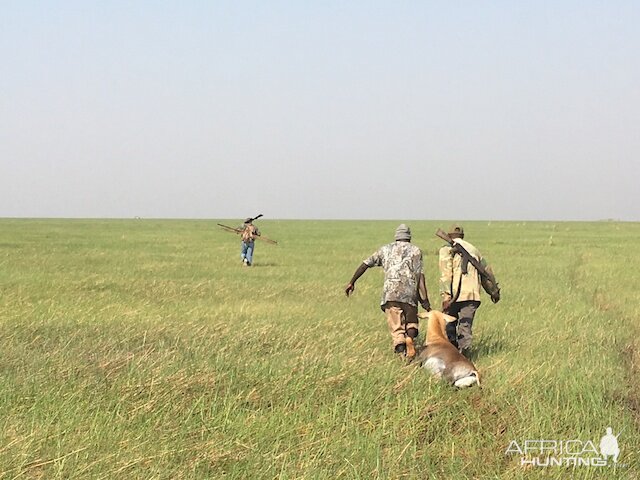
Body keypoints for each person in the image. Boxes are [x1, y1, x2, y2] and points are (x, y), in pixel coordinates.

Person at [345, 224, 431, 357]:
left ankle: (403, 357)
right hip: (410, 295)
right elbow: (420, 277)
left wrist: (352, 282)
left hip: (390, 294)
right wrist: (424, 300)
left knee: (397, 331)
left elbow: (365, 264)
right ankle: (410, 340)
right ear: (409, 237)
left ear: (396, 236)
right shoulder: (416, 251)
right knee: (412, 323)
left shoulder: (385, 249)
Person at [438, 224, 499, 356]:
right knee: (465, 326)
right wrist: (493, 292)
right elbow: (487, 273)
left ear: (449, 235)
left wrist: (446, 296)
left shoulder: (446, 249)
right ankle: (465, 354)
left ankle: (452, 354)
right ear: (463, 236)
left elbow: (446, 274)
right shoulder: (474, 249)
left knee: (449, 325)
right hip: (472, 294)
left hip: (455, 294)